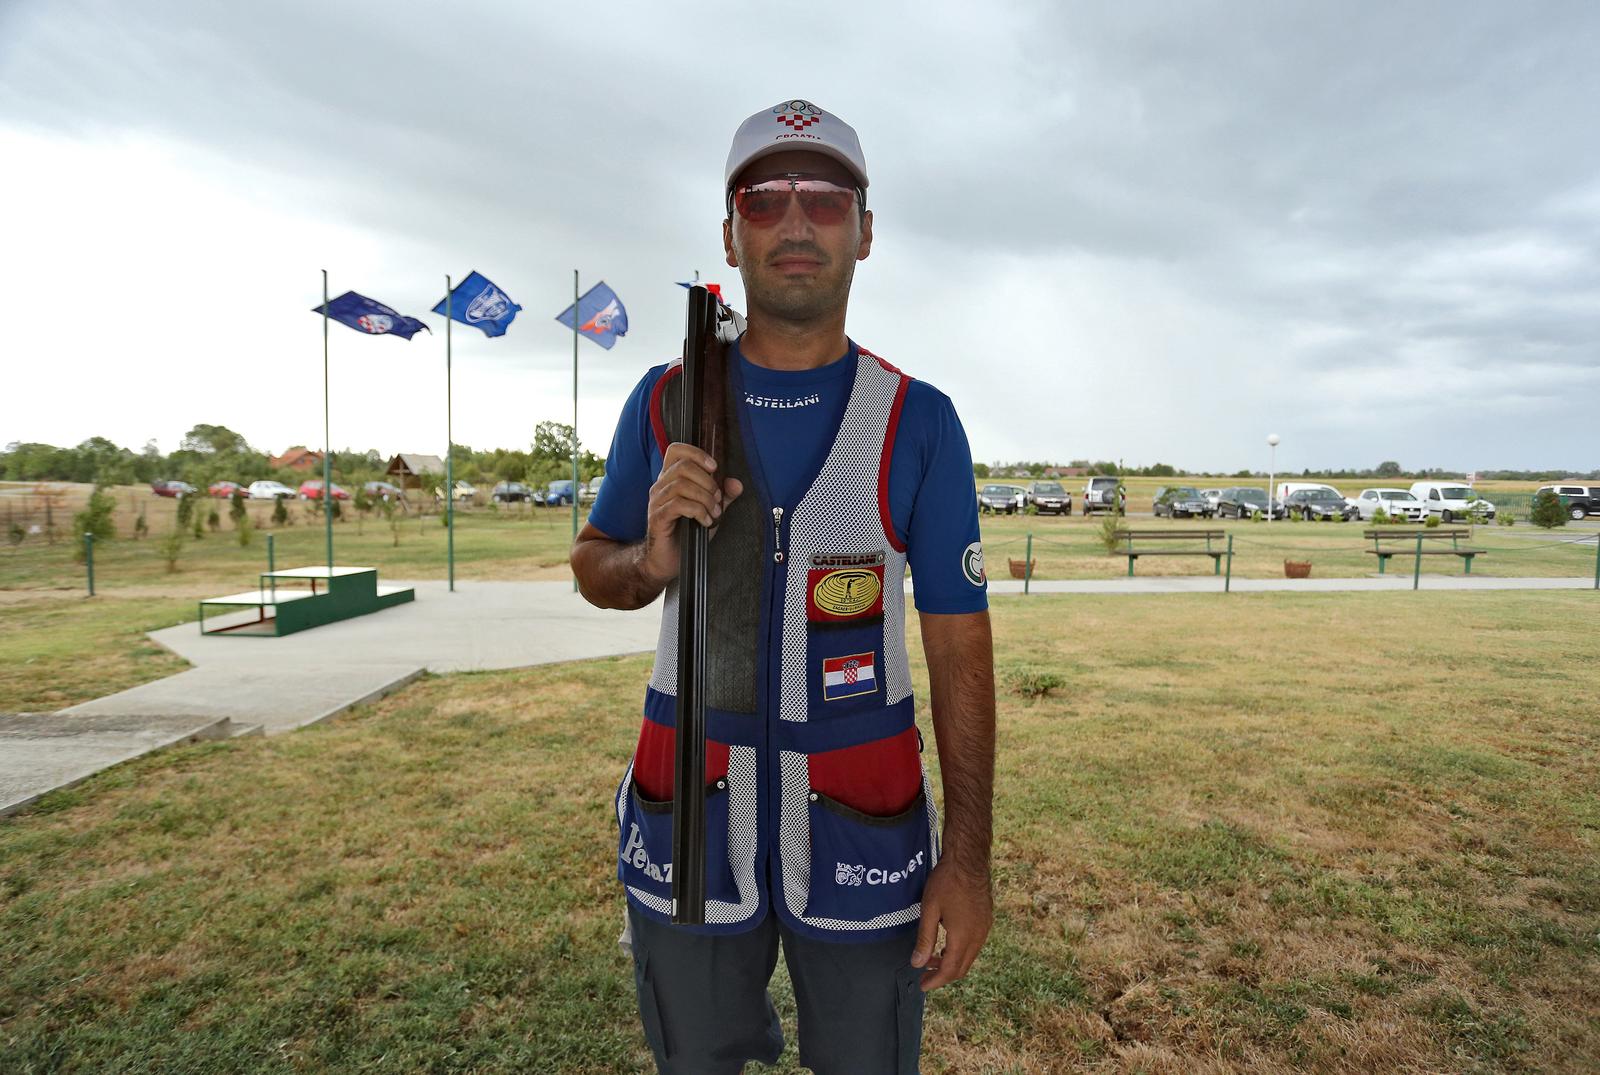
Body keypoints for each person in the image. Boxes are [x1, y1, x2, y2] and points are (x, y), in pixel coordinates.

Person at [571, 98, 995, 1075]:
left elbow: (959, 646)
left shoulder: (918, 421)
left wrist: (965, 859)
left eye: (826, 198)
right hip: (687, 824)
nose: (796, 221)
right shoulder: (668, 399)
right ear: (730, 232)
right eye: (765, 198)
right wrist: (649, 562)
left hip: (863, 829)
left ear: (865, 230)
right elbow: (598, 562)